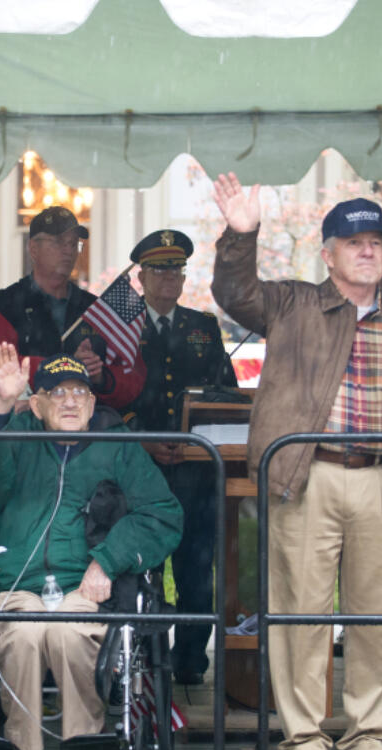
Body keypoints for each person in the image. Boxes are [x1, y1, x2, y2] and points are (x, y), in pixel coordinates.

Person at [210, 175, 382, 750]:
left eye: (376, 240)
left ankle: (368, 737)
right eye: (354, 242)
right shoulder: (293, 304)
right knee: (300, 614)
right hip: (307, 475)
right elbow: (235, 294)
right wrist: (242, 234)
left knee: (375, 619)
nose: (368, 250)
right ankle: (304, 742)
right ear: (328, 254)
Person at [0, 348, 181, 750]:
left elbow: (162, 513)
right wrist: (3, 404)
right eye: (57, 392)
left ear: (94, 404)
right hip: (18, 587)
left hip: (85, 587)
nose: (70, 401)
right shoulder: (20, 437)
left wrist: (107, 562)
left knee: (68, 632)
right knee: (23, 635)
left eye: (80, 392)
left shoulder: (117, 445)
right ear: (37, 404)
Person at [126, 228, 234, 685]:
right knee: (141, 566)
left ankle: (190, 660)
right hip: (139, 469)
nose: (170, 278)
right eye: (159, 270)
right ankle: (144, 657)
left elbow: (225, 394)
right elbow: (104, 403)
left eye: (176, 269)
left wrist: (195, 441)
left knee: (195, 568)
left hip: (193, 471)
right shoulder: (120, 325)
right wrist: (142, 441)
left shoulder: (203, 328)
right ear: (141, 277)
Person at [0, 206, 146, 409]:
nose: (68, 250)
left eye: (73, 244)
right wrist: (70, 367)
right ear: (33, 249)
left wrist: (101, 377)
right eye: (57, 242)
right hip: (23, 429)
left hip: (88, 430)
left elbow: (133, 378)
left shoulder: (97, 309)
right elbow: (2, 369)